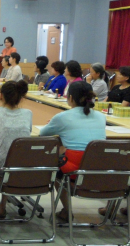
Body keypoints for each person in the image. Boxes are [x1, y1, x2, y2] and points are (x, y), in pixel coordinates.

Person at [39, 82, 106, 222]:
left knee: (55, 167)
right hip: (101, 169)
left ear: (70, 98)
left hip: (75, 169)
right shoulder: (101, 117)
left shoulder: (62, 117)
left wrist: (53, 124)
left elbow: (43, 133)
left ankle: (67, 210)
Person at [0, 81, 33, 218]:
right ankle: (3, 205)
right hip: (24, 167)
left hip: (0, 166)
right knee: (12, 155)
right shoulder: (28, 113)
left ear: (1, 95)